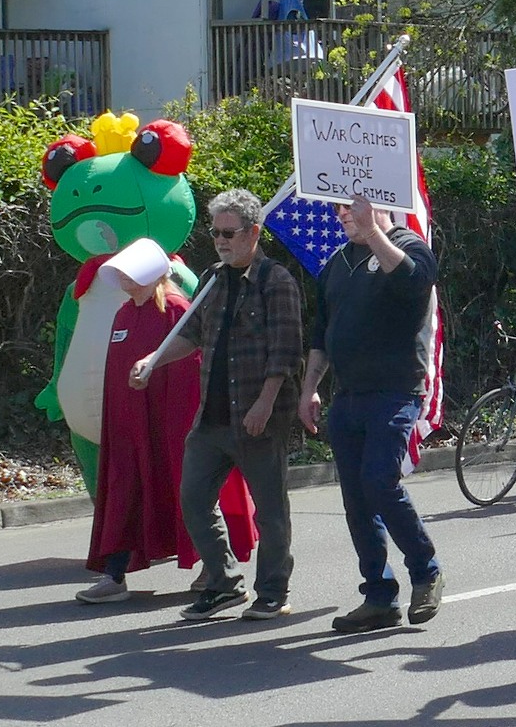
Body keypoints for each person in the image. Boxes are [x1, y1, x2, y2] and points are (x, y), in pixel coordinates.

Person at [132, 188, 303, 621]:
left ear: (254, 232)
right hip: (212, 416)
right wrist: (154, 359)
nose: (222, 241)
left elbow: (285, 353)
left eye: (230, 233)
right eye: (216, 233)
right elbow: (190, 337)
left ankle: (272, 591)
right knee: (192, 499)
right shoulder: (212, 277)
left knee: (271, 511)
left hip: (258, 417)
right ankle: (225, 583)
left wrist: (264, 404)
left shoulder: (275, 281)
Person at [77, 239, 260, 604]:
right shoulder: (125, 313)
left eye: (130, 273)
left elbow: (193, 372)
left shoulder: (178, 310)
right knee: (123, 492)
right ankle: (114, 574)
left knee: (191, 491)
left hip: (171, 425)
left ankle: (213, 566)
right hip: (130, 426)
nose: (124, 280)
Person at [299, 195, 444, 633]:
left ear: (381, 206)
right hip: (349, 394)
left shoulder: (409, 245)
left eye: (352, 207)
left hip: (396, 390)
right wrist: (310, 388)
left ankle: (426, 570)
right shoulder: (337, 264)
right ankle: (379, 596)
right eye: (339, 210)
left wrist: (375, 230)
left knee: (379, 479)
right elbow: (322, 333)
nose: (344, 215)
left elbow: (415, 281)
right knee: (357, 499)